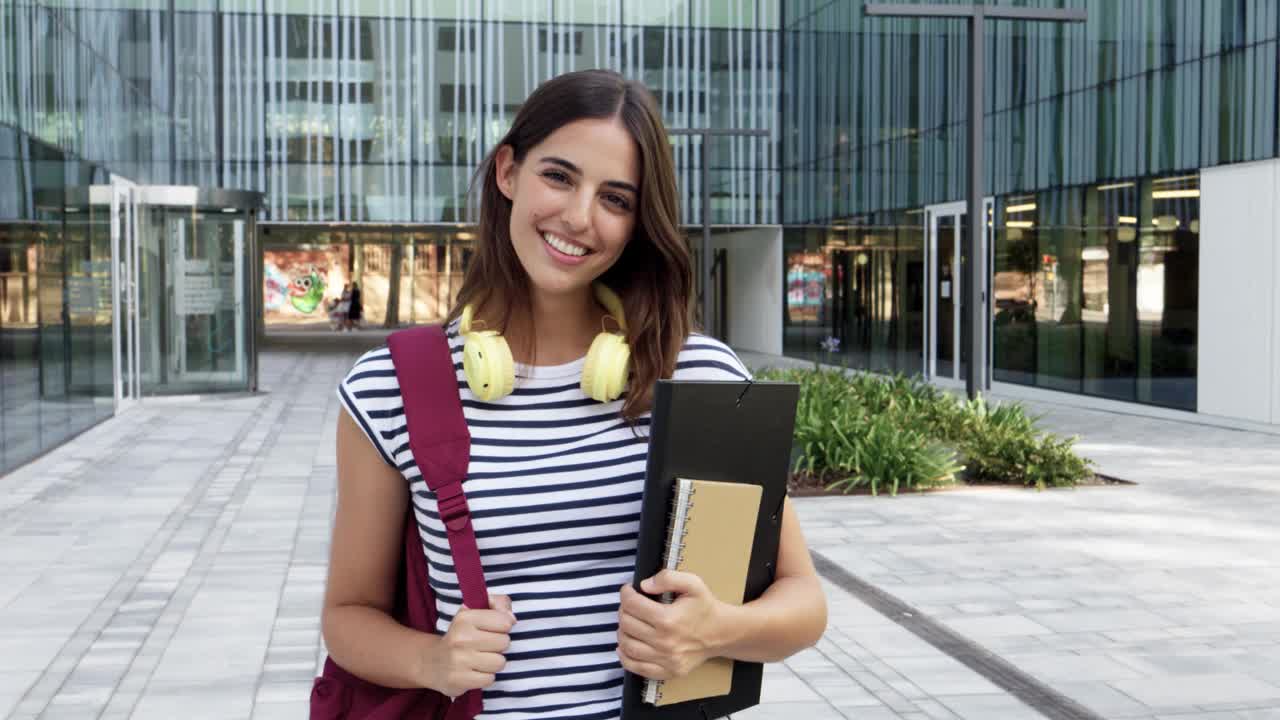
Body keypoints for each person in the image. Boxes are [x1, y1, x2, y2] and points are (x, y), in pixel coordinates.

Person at [324, 69, 827, 719]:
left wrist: (714, 631)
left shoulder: (699, 377)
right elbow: (347, 616)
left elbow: (803, 604)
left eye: (616, 199)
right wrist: (432, 661)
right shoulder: (391, 386)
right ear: (508, 171)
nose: (579, 217)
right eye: (558, 176)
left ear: (638, 223)